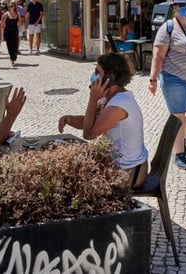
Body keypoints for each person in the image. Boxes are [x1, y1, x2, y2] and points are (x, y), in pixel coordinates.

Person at [58, 53, 149, 188]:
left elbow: (89, 134)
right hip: (123, 168)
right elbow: (93, 121)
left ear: (109, 78)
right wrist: (70, 119)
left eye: (97, 72)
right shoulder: (111, 98)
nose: (93, 76)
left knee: (69, 179)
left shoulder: (118, 104)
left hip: (129, 174)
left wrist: (93, 98)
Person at [148, 0, 186, 170]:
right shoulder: (167, 28)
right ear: (174, 7)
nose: (185, 8)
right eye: (181, 5)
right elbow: (158, 56)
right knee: (179, 117)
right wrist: (153, 79)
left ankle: (176, 140)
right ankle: (179, 154)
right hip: (174, 78)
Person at [0, 1, 21, 67]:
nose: (10, 7)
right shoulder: (5, 14)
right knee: (10, 46)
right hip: (8, 32)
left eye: (11, 6)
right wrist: (2, 34)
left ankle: (13, 58)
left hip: (15, 31)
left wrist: (18, 24)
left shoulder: (17, 14)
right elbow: (2, 24)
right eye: (9, 6)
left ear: (14, 7)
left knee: (15, 45)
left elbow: (20, 22)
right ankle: (12, 60)